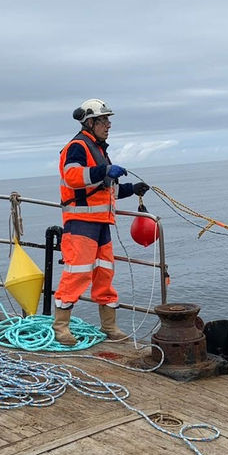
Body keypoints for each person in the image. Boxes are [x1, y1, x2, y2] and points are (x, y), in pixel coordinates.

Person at [53, 98, 149, 345]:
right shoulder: (77, 146)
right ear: (90, 122)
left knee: (104, 274)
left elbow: (106, 189)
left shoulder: (99, 150)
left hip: (101, 223)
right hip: (81, 222)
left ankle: (109, 326)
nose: (108, 125)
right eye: (104, 120)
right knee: (77, 274)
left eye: (108, 120)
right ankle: (61, 328)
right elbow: (73, 176)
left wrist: (131, 189)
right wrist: (104, 171)